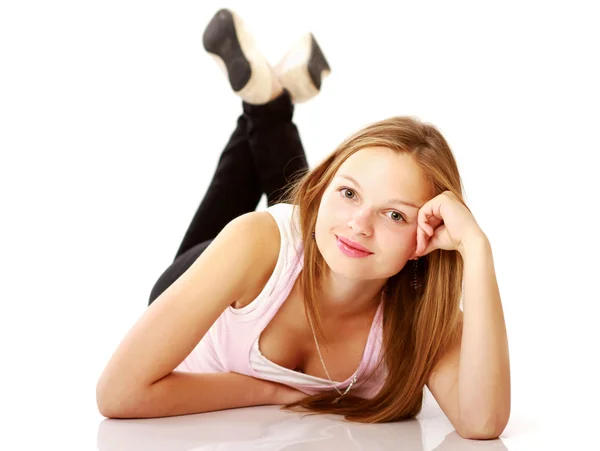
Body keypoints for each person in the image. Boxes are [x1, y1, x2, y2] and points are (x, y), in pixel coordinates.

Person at [96, 8, 510, 438]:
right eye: (348, 192)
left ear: (428, 233)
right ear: (322, 187)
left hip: (295, 252)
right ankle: (267, 107)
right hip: (206, 286)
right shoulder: (256, 240)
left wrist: (477, 249)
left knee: (305, 212)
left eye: (394, 215)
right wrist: (265, 392)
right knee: (268, 234)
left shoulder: (421, 314)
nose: (360, 225)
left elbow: (481, 423)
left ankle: (265, 104)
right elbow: (118, 394)